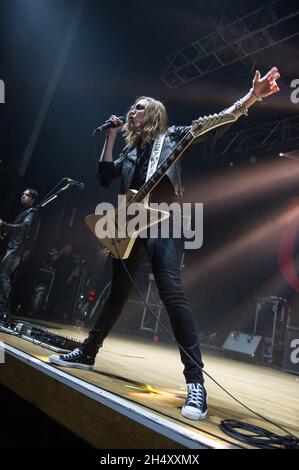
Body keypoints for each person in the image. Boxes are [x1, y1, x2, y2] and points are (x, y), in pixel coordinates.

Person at [49, 67, 280, 421]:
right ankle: (88, 353)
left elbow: (213, 122)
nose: (133, 111)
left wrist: (251, 98)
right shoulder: (128, 154)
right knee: (116, 293)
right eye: (132, 107)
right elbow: (105, 176)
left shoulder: (170, 137)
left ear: (154, 114)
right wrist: (110, 138)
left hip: (164, 220)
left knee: (171, 291)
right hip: (129, 225)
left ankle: (195, 382)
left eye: (140, 107)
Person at [0, 188, 39, 324]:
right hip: (14, 247)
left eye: (26, 195)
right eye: (22, 193)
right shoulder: (25, 211)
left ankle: (3, 311)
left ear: (32, 199)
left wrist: (5, 225)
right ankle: (3, 310)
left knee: (3, 275)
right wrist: (6, 233)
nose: (22, 195)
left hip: (18, 249)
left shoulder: (31, 212)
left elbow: (24, 227)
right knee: (3, 275)